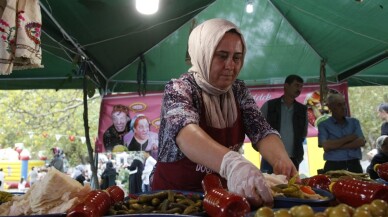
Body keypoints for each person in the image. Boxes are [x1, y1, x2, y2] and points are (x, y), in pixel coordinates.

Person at [151, 18, 297, 207]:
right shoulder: (179, 89)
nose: (231, 65)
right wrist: (232, 164)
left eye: (237, 57)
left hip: (221, 200)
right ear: (202, 53)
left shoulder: (238, 91)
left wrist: (281, 159)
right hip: (175, 201)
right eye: (221, 55)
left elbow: (261, 130)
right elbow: (185, 133)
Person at [260, 75, 308, 173]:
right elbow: (258, 129)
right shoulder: (269, 106)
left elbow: (303, 134)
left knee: (291, 187)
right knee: (269, 185)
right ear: (286, 86)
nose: (299, 89)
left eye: (301, 86)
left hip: (293, 158)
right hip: (270, 157)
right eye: (296, 85)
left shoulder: (302, 110)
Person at [318, 93, 366, 173]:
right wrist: (349, 138)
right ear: (330, 107)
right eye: (339, 105)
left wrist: (334, 145)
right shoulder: (323, 125)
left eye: (344, 104)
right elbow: (326, 146)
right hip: (334, 166)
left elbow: (361, 142)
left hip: (354, 164)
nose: (343, 107)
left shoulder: (354, 122)